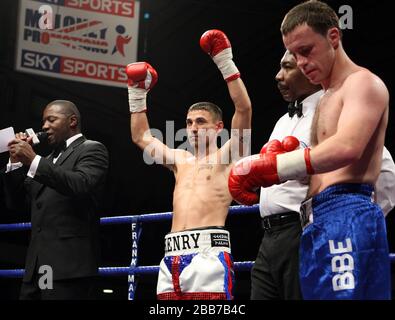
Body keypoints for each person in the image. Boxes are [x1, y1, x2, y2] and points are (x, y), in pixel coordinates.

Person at [229, 0, 391, 299]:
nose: (301, 62)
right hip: (315, 220)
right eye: (294, 54)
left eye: (306, 51)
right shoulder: (327, 97)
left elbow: (348, 147)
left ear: (333, 37)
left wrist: (275, 167)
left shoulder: (362, 83)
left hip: (347, 214)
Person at [127, 30, 252, 300]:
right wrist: (136, 93)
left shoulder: (228, 155)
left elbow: (243, 109)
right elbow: (141, 137)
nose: (193, 128)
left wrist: (224, 61)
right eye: (189, 122)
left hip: (209, 254)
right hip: (171, 253)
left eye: (201, 122)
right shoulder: (179, 160)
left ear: (219, 128)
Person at [2, 100, 109, 300]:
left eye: (51, 120)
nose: (44, 126)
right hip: (37, 267)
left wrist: (33, 160)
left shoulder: (92, 149)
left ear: (72, 121)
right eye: (43, 121)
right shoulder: (48, 160)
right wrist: (15, 164)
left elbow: (80, 184)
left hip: (69, 267)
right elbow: (17, 204)